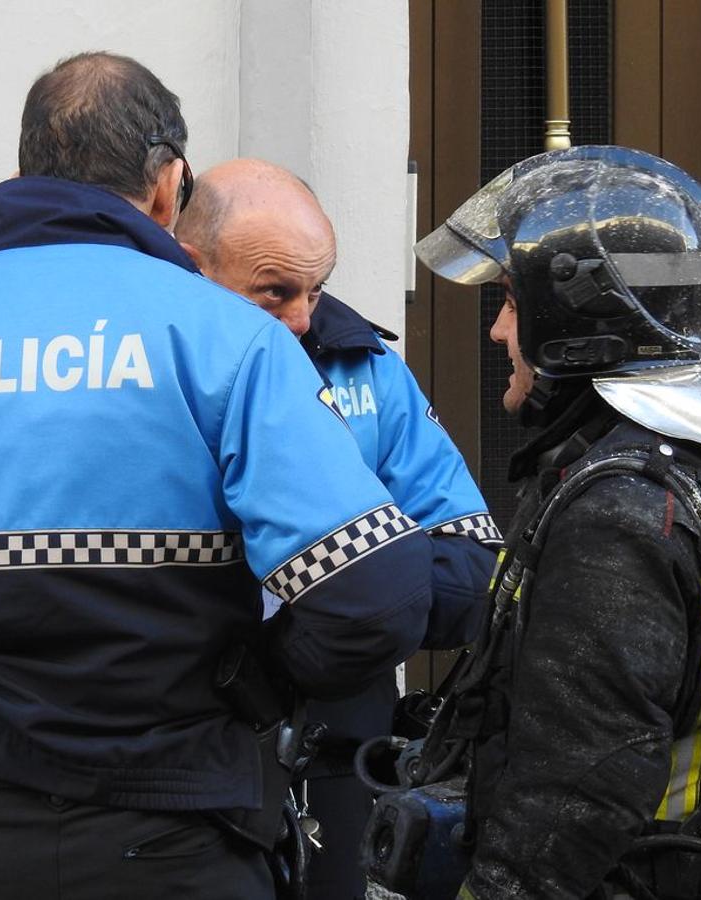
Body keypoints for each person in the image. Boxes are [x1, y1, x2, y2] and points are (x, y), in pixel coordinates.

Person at [0, 52, 433, 899]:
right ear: (169, 186)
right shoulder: (231, 342)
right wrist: (252, 683)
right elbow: (374, 596)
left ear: (24, 175)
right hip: (185, 838)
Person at [410, 145, 701, 899]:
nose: (498, 333)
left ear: (574, 318)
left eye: (511, 304)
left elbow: (578, 791)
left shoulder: (621, 515)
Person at [177, 158, 499, 899]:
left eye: (315, 291)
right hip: (191, 757)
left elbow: (477, 571)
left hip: (342, 747)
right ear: (192, 269)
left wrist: (349, 590)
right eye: (274, 293)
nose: (300, 318)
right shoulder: (150, 374)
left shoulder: (368, 367)